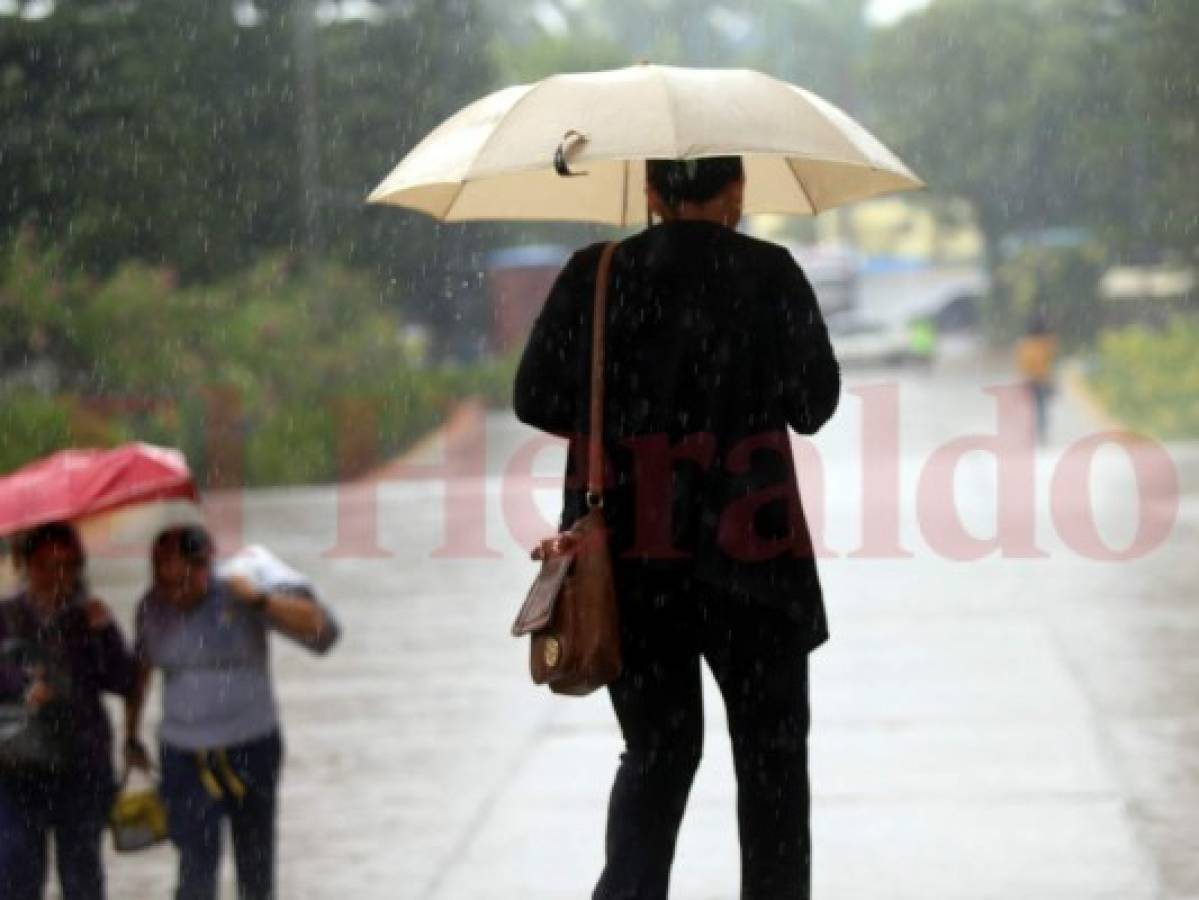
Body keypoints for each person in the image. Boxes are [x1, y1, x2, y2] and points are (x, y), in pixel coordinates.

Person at [515, 156, 840, 900]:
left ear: (651, 193)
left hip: (632, 562)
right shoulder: (770, 271)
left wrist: (626, 426)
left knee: (656, 752)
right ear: (736, 192)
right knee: (772, 763)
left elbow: (533, 395)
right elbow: (812, 405)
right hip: (753, 562)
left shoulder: (595, 275)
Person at [125, 524, 340, 900]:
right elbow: (139, 675)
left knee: (255, 865)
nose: (174, 591)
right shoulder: (151, 607)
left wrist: (260, 600)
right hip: (184, 755)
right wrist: (130, 735)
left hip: (251, 748)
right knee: (195, 866)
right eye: (163, 578)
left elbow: (322, 629)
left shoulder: (244, 587)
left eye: (182, 580)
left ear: (204, 566)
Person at [0, 521, 138, 900]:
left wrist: (106, 632)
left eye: (68, 565)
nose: (58, 576)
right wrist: (25, 692)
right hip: (16, 768)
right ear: (27, 565)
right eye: (47, 565)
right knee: (15, 875)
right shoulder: (5, 617)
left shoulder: (89, 619)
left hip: (82, 767)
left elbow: (125, 681)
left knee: (83, 879)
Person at [1015, 308, 1058, 443]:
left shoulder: (1027, 344)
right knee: (1041, 408)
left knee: (1037, 408)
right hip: (1042, 380)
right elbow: (1051, 361)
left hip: (1034, 380)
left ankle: (1037, 432)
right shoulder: (1047, 342)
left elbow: (1023, 364)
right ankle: (1041, 433)